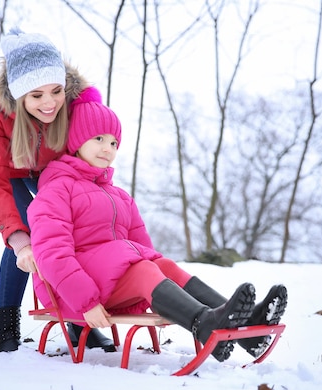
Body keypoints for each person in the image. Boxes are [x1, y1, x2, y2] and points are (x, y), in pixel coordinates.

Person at [27, 87, 288, 362]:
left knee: (163, 266)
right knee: (143, 270)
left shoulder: (120, 197)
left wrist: (154, 272)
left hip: (110, 281)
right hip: (70, 292)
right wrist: (86, 302)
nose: (108, 148)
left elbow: (145, 253)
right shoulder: (56, 190)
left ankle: (249, 331)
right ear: (76, 140)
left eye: (114, 143)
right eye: (99, 138)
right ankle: (204, 324)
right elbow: (52, 254)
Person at [0, 28, 114, 353]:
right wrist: (18, 240)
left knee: (73, 228)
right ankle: (4, 329)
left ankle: (78, 323)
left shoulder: (77, 104)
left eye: (56, 91)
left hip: (51, 165)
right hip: (5, 167)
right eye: (36, 95)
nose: (49, 103)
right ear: (18, 95)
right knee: (25, 230)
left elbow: (87, 154)